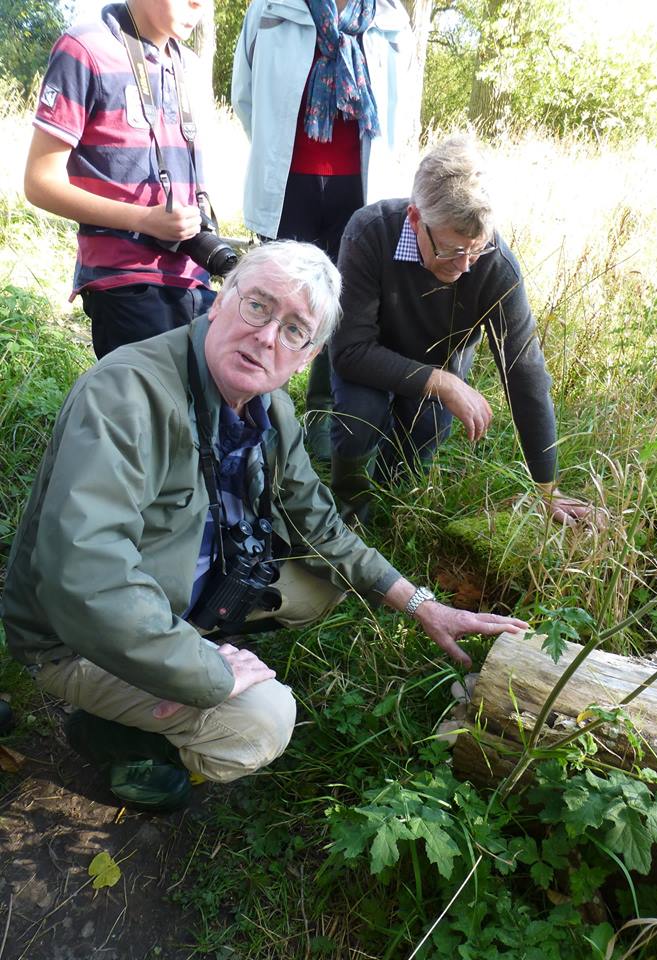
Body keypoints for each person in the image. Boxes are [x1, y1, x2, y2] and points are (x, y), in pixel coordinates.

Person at [1, 242, 528, 813]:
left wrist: (424, 604)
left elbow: (320, 524)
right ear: (218, 302)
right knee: (262, 722)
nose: (267, 337)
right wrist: (205, 671)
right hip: (72, 638)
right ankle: (118, 735)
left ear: (309, 356)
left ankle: (171, 669)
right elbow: (86, 578)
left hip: (179, 590)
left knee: (324, 584)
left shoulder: (270, 408)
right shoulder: (125, 395)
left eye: (295, 329)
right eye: (257, 306)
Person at [330, 134, 598, 526]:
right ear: (416, 219)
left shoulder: (494, 265)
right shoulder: (369, 232)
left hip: (436, 364)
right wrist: (445, 384)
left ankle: (388, 508)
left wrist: (547, 486)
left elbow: (524, 372)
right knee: (358, 420)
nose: (465, 267)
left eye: (476, 249)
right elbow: (350, 350)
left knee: (419, 441)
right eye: (453, 251)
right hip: (367, 357)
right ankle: (348, 515)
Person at [231, 0, 414, 459]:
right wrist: (276, 155)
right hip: (287, 183)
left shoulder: (391, 20)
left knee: (338, 307)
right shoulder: (271, 8)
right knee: (275, 296)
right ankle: (262, 405)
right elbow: (245, 95)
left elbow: (401, 111)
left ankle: (320, 411)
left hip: (360, 188)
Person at [24, 0, 217, 359]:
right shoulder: (85, 49)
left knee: (209, 409)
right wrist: (144, 220)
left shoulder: (188, 63)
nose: (199, 5)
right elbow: (39, 181)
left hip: (195, 276)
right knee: (145, 410)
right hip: (124, 280)